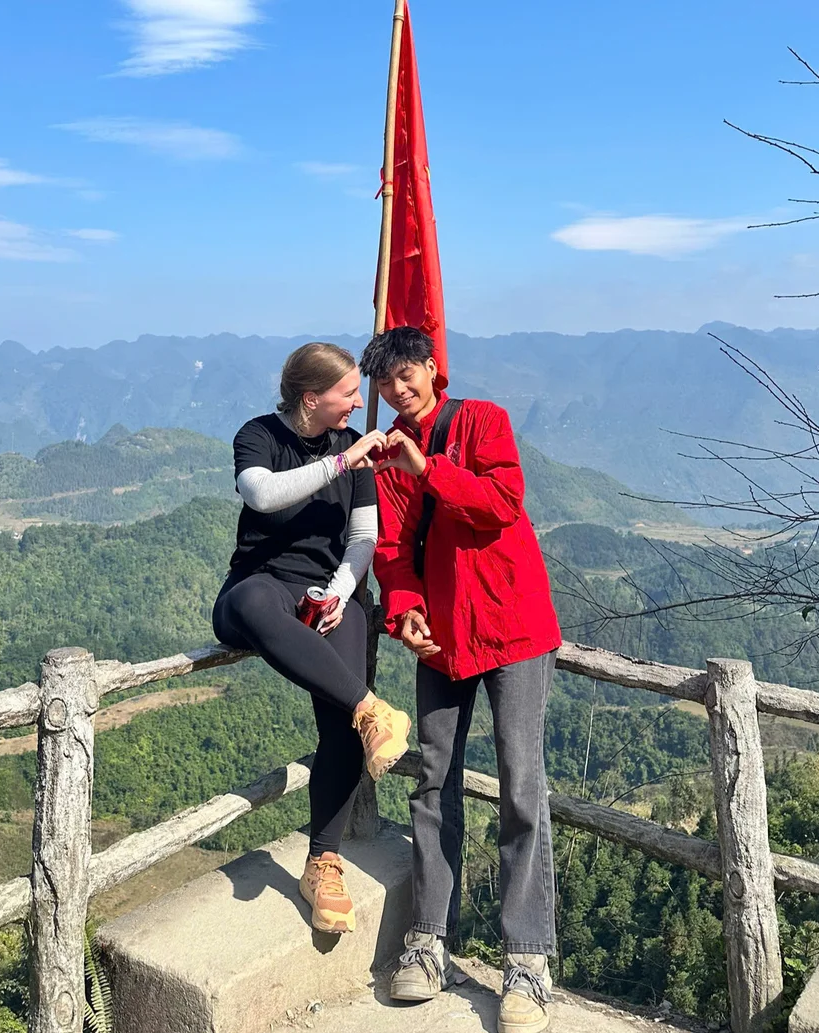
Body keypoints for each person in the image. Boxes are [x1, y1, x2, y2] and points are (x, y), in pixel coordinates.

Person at [359, 327, 562, 1033]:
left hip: (513, 628)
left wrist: (426, 466)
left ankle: (527, 959)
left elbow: (501, 502)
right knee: (433, 781)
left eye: (406, 374)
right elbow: (393, 550)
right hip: (442, 639)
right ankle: (428, 938)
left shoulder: (482, 420)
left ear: (432, 369)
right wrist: (405, 609)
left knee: (520, 786)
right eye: (385, 383)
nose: (397, 390)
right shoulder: (385, 458)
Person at [212, 342, 412, 936]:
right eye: (350, 393)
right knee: (248, 603)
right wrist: (341, 462)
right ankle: (372, 709)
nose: (360, 401)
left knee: (340, 725)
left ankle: (323, 859)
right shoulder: (260, 435)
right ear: (311, 398)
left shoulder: (356, 457)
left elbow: (364, 539)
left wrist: (340, 592)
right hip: (260, 586)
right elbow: (262, 494)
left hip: (327, 590)